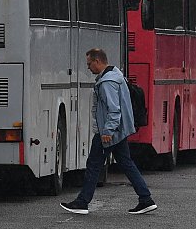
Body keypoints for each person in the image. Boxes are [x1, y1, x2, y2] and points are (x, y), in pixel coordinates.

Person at [60, 48, 156, 215]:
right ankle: (145, 198)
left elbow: (114, 110)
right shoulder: (116, 75)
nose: (88, 68)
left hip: (108, 132)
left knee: (93, 165)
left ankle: (83, 202)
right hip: (118, 131)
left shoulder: (107, 83)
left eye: (89, 64)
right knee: (126, 163)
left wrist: (107, 131)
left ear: (98, 61)